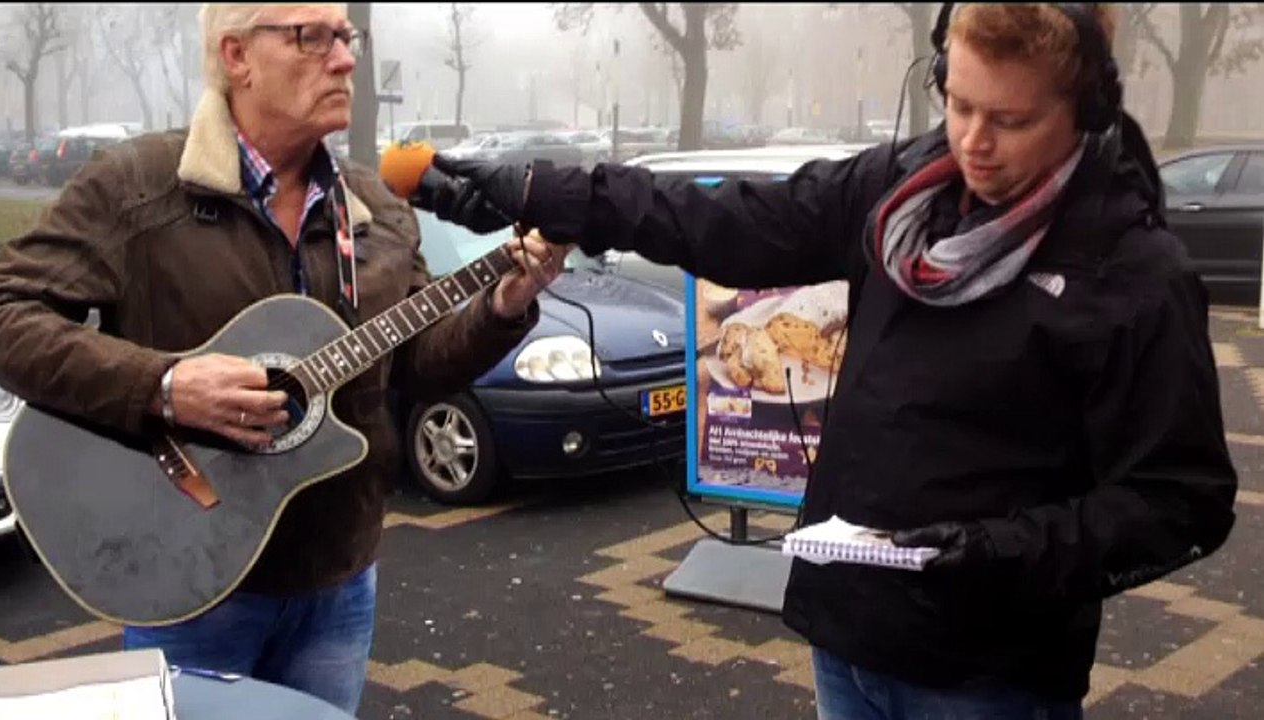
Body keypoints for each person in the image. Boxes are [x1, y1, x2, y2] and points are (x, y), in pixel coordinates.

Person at [423, 4, 1238, 719]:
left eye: (1011, 121)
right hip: (845, 635)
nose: (973, 143)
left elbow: (1179, 503)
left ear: (1085, 107)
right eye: (956, 104)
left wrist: (998, 554)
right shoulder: (896, 189)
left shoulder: (1132, 275)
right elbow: (728, 221)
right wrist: (544, 191)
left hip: (988, 678)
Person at [0, 3, 569, 715]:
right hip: (186, 574)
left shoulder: (376, 209)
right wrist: (161, 386)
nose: (345, 58)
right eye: (310, 37)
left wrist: (501, 308)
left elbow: (414, 365)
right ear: (236, 57)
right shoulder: (136, 186)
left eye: (345, 37)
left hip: (339, 577)